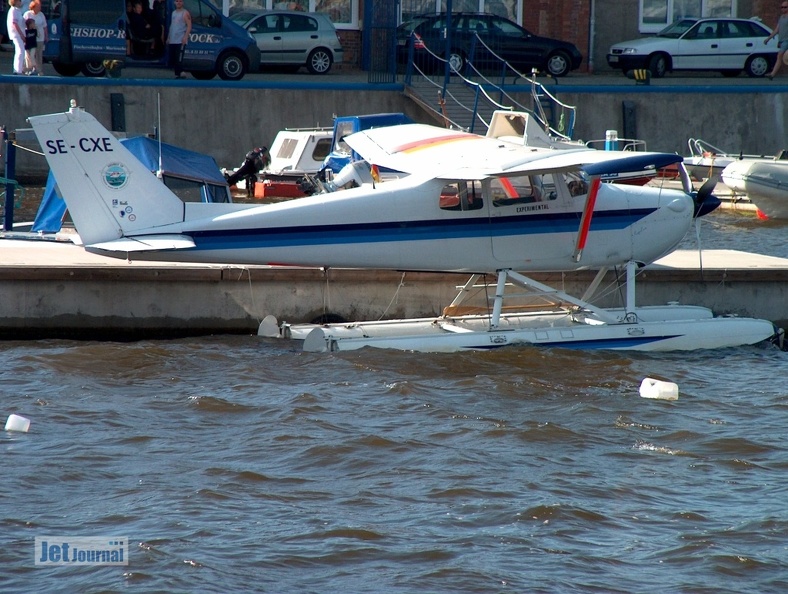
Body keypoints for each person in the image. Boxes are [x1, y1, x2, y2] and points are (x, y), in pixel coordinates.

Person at [167, 0, 191, 79]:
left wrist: (185, 36)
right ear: (174, 2)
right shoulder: (173, 13)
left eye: (180, 1)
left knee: (179, 58)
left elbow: (189, 26)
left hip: (180, 40)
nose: (178, 3)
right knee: (173, 58)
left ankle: (182, 73)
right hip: (173, 39)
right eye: (177, 1)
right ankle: (178, 74)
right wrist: (169, 37)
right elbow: (172, 25)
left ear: (183, 2)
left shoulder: (185, 13)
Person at [765, 2, 788, 79]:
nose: (783, 9)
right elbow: (777, 29)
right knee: (781, 57)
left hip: (787, 40)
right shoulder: (781, 17)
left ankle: (772, 74)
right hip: (781, 40)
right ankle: (772, 74)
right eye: (782, 7)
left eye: (785, 7)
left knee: (780, 55)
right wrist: (769, 38)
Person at [23, 0, 46, 75]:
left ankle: (39, 70)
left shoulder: (41, 14)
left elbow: (45, 26)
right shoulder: (27, 14)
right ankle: (28, 69)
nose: (39, 8)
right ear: (33, 7)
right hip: (30, 38)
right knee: (29, 54)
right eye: (38, 7)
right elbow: (23, 25)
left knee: (39, 54)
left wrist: (46, 36)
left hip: (40, 37)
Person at [6, 0, 25, 75]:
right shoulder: (13, 10)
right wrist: (21, 34)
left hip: (19, 34)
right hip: (16, 34)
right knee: (20, 50)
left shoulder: (18, 10)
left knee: (20, 51)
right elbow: (14, 24)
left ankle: (18, 69)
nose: (20, 2)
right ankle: (18, 70)